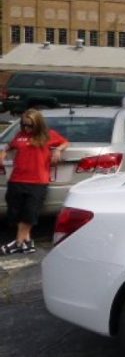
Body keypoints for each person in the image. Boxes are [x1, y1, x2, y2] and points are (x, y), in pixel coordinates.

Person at [0, 109, 69, 255]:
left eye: (30, 125)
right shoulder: (20, 135)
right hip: (17, 179)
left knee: (29, 213)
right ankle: (27, 242)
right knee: (17, 212)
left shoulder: (47, 135)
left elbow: (64, 142)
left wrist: (58, 150)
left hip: (37, 181)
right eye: (24, 125)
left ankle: (18, 242)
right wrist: (3, 152)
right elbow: (10, 145)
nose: (27, 128)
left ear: (38, 124)